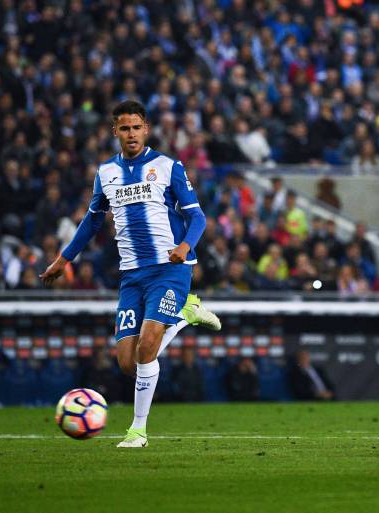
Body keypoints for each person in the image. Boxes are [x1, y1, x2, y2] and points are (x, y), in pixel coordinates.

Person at [41, 101, 221, 448]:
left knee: (148, 346)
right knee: (127, 362)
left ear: (146, 129)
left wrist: (184, 246)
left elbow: (197, 217)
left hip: (170, 269)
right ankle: (185, 315)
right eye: (124, 128)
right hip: (132, 276)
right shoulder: (106, 172)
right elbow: (93, 220)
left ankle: (137, 431)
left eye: (136, 127)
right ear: (115, 132)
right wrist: (64, 259)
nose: (131, 134)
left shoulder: (168, 166)